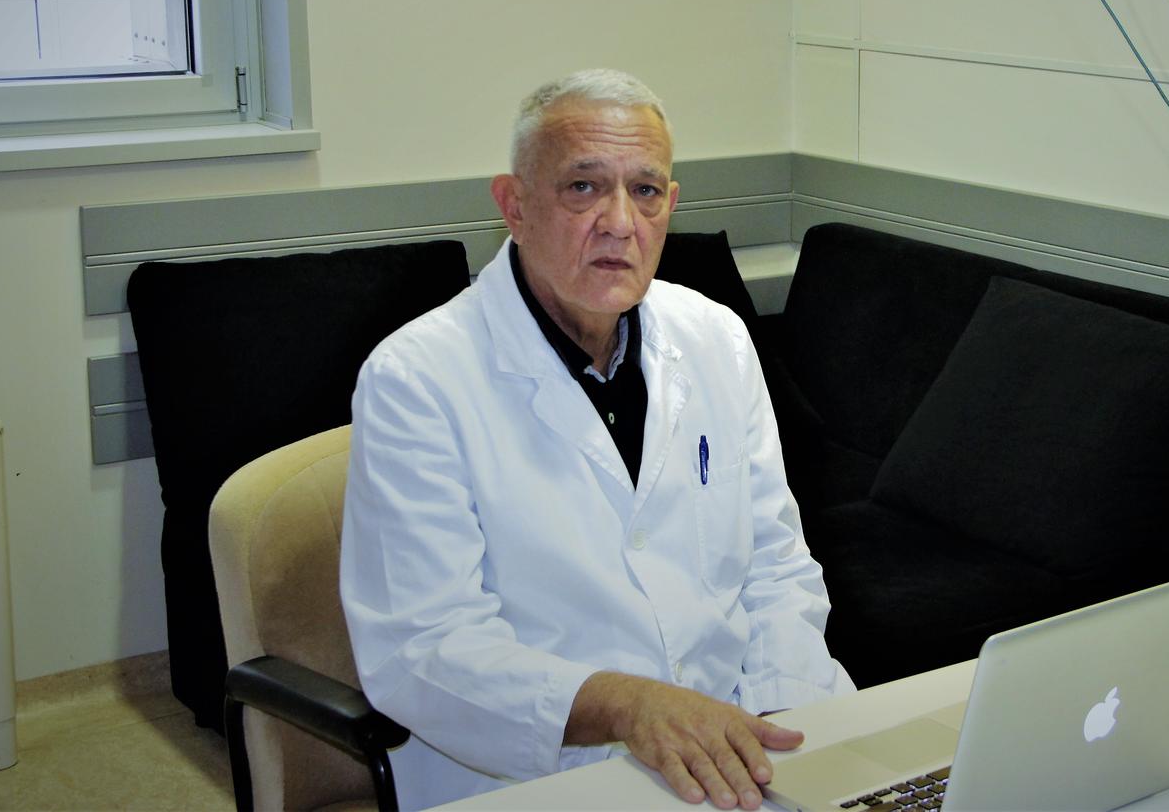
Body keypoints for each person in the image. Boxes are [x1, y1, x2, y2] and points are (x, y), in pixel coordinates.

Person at [340, 69, 854, 810]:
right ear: (514, 206)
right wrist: (628, 706)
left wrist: (787, 724)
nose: (620, 222)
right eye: (583, 187)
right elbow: (424, 651)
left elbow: (775, 565)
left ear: (670, 205)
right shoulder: (416, 380)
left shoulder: (717, 339)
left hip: (739, 741)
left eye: (645, 191)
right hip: (542, 775)